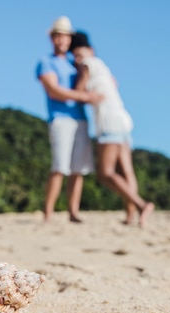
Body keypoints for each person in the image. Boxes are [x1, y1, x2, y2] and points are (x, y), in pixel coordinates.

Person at [69, 31, 155, 227]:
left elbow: (79, 92)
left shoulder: (86, 65)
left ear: (89, 51)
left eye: (79, 54)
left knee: (105, 173)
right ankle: (130, 215)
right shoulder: (104, 67)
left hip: (108, 122)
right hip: (123, 118)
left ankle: (142, 205)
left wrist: (80, 79)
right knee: (126, 172)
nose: (77, 59)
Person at [35, 17, 102, 223]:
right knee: (59, 167)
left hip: (80, 119)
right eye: (58, 35)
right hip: (60, 118)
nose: (61, 40)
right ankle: (48, 213)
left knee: (78, 169)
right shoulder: (46, 62)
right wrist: (84, 97)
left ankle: (73, 212)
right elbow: (54, 90)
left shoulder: (76, 63)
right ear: (52, 38)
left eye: (65, 36)